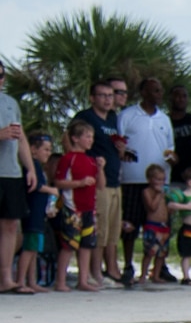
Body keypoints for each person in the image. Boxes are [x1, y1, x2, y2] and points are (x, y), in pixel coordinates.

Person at [118, 78, 176, 282]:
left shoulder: (165, 119)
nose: (159, 94)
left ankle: (159, 267)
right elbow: (119, 143)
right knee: (131, 224)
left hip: (160, 181)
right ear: (143, 92)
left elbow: (170, 147)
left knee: (160, 225)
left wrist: (172, 158)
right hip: (133, 178)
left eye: (160, 91)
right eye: (155, 91)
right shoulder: (127, 115)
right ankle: (127, 266)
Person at [75, 79, 126, 285]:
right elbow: (70, 139)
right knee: (99, 229)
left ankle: (110, 270)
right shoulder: (85, 117)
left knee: (113, 230)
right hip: (97, 181)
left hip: (115, 178)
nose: (107, 99)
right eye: (103, 95)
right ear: (92, 98)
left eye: (110, 95)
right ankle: (94, 273)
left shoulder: (113, 118)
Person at [50, 119, 103, 292]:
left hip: (89, 208)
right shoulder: (68, 159)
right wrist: (79, 183)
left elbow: (101, 184)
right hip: (73, 208)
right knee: (68, 245)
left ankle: (83, 280)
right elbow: (58, 182)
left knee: (87, 244)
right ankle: (60, 281)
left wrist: (101, 168)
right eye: (87, 137)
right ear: (75, 138)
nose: (90, 140)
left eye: (92, 137)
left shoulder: (91, 160)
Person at [0, 56, 32, 293]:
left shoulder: (10, 102)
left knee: (11, 225)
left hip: (10, 171)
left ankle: (6, 279)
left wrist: (29, 167)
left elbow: (21, 137)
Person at [12, 132, 54, 293]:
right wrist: (52, 190)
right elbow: (35, 186)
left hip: (39, 215)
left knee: (34, 249)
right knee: (29, 248)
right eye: (45, 149)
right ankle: (21, 280)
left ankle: (32, 280)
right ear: (33, 150)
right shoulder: (31, 167)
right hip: (32, 215)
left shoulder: (39, 168)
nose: (48, 153)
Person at [137, 164, 172, 284]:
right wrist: (159, 194)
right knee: (149, 252)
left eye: (162, 180)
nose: (160, 182)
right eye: (158, 179)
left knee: (161, 253)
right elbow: (152, 207)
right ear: (150, 179)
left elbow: (168, 209)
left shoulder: (165, 194)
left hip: (163, 226)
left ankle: (156, 275)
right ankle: (143, 275)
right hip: (152, 225)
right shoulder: (147, 192)